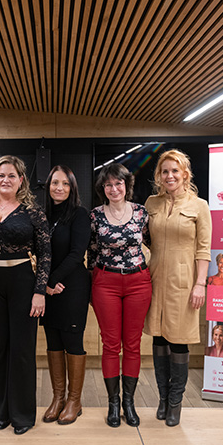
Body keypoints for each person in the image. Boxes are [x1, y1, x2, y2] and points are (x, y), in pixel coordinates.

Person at [0, 155, 51, 435]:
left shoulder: (33, 212)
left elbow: (45, 254)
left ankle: (22, 415)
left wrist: (39, 291)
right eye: (1, 175)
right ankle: (1, 412)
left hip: (22, 281)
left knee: (22, 349)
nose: (5, 180)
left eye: (11, 175)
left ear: (21, 180)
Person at [144, 149, 211, 427]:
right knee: (159, 338)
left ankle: (175, 403)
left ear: (185, 174)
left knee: (178, 340)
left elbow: (204, 249)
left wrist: (200, 284)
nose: (169, 176)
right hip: (155, 279)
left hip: (184, 284)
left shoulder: (199, 206)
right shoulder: (151, 203)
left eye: (174, 170)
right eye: (165, 171)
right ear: (159, 176)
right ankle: (162, 399)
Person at [88, 164, 152, 428]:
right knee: (111, 344)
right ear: (102, 189)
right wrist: (92, 285)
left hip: (138, 282)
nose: (114, 189)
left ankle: (129, 402)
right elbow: (92, 252)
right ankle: (113, 404)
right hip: (106, 282)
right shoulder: (95, 216)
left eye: (118, 183)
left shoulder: (141, 213)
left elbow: (153, 244)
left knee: (133, 344)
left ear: (127, 185)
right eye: (108, 185)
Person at [41, 166, 91, 425]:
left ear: (72, 188)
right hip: (49, 290)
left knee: (72, 342)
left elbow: (76, 253)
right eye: (54, 183)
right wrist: (45, 284)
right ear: (48, 186)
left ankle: (74, 400)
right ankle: (58, 397)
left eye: (65, 183)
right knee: (53, 342)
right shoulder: (43, 214)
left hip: (72, 286)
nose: (59, 188)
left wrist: (51, 280)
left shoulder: (79, 214)